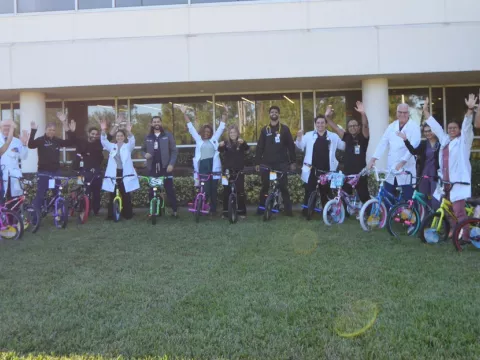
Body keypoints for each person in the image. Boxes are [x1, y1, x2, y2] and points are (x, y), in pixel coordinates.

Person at [425, 95, 476, 239]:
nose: (451, 130)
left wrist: (470, 110)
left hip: (458, 182)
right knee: (448, 209)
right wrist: (426, 112)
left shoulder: (463, 142)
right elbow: (436, 128)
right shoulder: (446, 140)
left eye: (454, 128)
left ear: (459, 129)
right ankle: (453, 231)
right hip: (446, 182)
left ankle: (465, 237)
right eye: (450, 128)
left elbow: (467, 127)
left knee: (459, 211)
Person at [368, 103, 421, 203]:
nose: (402, 114)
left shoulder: (414, 127)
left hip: (406, 167)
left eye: (405, 112)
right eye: (400, 112)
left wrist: (402, 162)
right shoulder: (391, 126)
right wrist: (373, 158)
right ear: (397, 113)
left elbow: (413, 147)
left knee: (408, 197)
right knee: (388, 195)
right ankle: (390, 216)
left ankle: (413, 217)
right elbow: (382, 143)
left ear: (408, 113)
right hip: (392, 167)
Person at [296, 111, 345, 216]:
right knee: (310, 190)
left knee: (326, 191)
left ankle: (327, 211)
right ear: (315, 124)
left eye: (322, 123)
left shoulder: (333, 136)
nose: (320, 125)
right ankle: (308, 211)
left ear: (326, 124)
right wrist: (299, 137)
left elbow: (343, 146)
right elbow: (300, 146)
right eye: (318, 123)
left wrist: (343, 133)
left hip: (327, 169)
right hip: (312, 169)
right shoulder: (309, 135)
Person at [183, 106, 226, 215]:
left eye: (208, 131)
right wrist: (184, 113)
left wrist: (226, 112)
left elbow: (221, 127)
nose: (206, 133)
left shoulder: (213, 140)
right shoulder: (198, 140)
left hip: (213, 167)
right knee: (205, 190)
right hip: (203, 167)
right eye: (205, 131)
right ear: (202, 132)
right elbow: (191, 128)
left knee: (213, 191)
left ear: (211, 133)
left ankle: (213, 210)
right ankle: (202, 208)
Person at [28, 115, 77, 210]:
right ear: (46, 130)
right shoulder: (41, 140)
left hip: (56, 171)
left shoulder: (57, 140)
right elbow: (30, 145)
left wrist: (67, 127)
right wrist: (33, 131)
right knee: (41, 194)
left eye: (53, 130)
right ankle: (35, 218)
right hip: (43, 172)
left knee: (57, 193)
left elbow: (71, 142)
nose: (51, 132)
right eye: (49, 129)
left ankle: (58, 214)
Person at [255, 106, 296, 216]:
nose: (274, 113)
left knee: (283, 187)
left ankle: (288, 211)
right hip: (266, 163)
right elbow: (260, 147)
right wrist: (257, 162)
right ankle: (261, 208)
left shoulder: (285, 129)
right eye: (272, 112)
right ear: (269, 114)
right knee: (265, 187)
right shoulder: (265, 130)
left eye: (276, 112)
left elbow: (291, 146)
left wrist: (292, 161)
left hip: (281, 163)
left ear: (279, 114)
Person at [326, 101, 370, 204]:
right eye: (350, 126)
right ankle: (345, 215)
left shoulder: (363, 137)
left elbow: (365, 125)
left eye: (355, 126)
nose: (352, 128)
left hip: (360, 174)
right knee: (344, 195)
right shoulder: (347, 137)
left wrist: (363, 113)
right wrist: (327, 118)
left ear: (358, 127)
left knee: (364, 196)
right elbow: (336, 128)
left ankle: (370, 215)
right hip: (348, 173)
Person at [100, 116, 139, 220]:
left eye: (121, 135)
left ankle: (127, 214)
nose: (119, 137)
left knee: (126, 194)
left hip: (125, 172)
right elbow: (103, 140)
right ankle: (111, 215)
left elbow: (133, 141)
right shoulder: (112, 146)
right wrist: (103, 129)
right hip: (114, 172)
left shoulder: (127, 146)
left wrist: (129, 131)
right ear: (115, 137)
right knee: (112, 194)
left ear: (124, 137)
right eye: (117, 136)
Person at [66, 113, 105, 216]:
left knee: (96, 192)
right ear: (88, 133)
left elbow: (108, 138)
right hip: (81, 171)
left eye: (96, 134)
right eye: (93, 134)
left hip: (95, 171)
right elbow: (72, 139)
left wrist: (107, 128)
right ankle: (81, 209)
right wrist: (71, 130)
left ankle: (96, 211)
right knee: (82, 190)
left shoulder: (99, 143)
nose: (94, 136)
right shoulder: (81, 141)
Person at [396, 122, 440, 210]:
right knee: (423, 199)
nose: (428, 133)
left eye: (429, 131)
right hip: (424, 175)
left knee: (435, 200)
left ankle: (436, 219)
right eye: (425, 131)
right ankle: (425, 220)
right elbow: (413, 151)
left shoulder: (440, 144)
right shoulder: (424, 144)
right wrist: (405, 140)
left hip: (435, 176)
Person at [142, 115, 178, 217]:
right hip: (152, 168)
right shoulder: (148, 137)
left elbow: (174, 151)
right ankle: (153, 211)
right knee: (152, 190)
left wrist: (171, 164)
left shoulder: (167, 135)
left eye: (158, 121)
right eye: (154, 122)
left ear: (161, 123)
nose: (156, 123)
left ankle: (175, 211)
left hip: (166, 167)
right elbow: (142, 149)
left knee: (169, 189)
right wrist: (145, 155)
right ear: (151, 124)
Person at [218, 123, 250, 219]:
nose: (233, 134)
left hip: (239, 170)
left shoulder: (241, 142)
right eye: (231, 132)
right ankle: (225, 212)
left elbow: (248, 149)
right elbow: (220, 150)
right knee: (226, 191)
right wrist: (220, 146)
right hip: (227, 171)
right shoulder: (226, 143)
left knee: (240, 191)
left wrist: (244, 143)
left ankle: (241, 212)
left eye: (234, 132)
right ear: (229, 134)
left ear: (237, 133)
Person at [0, 120, 29, 200]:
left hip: (13, 176)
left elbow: (24, 157)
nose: (6, 128)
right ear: (0, 127)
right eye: (4, 126)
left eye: (9, 126)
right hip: (1, 175)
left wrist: (24, 144)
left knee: (14, 202)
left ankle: (13, 213)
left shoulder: (17, 141)